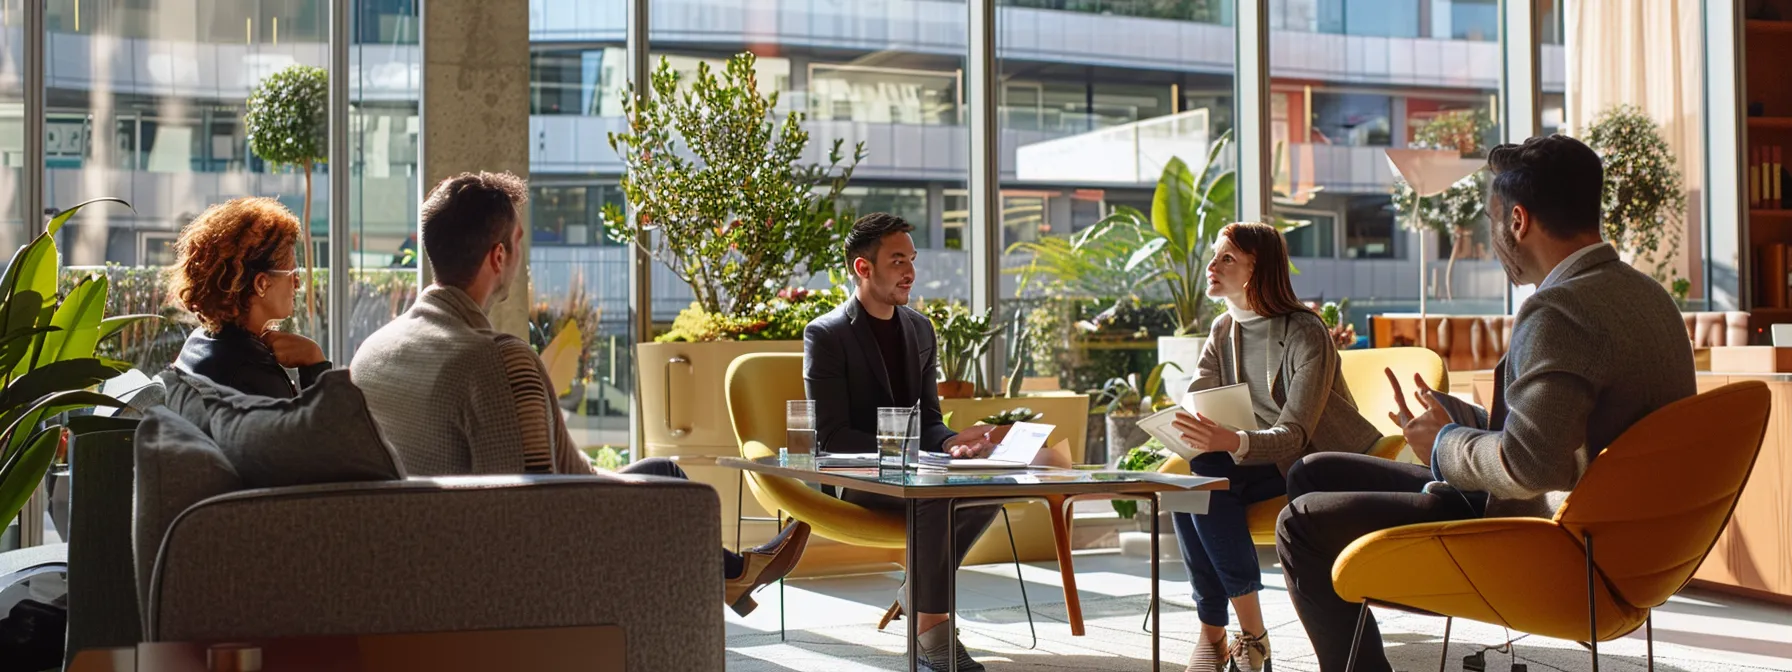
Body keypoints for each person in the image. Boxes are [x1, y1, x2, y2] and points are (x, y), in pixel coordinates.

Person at [1274, 135, 1698, 672]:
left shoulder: (1559, 311)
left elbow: (1530, 466)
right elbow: (1573, 430)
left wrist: (1445, 442)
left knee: (1301, 524)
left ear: (1517, 221)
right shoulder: (1648, 297)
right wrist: (1466, 421)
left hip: (1549, 543)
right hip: (1619, 537)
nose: (1491, 237)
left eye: (1490, 221)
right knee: (1313, 471)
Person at [351, 171, 811, 617]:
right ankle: (725, 582)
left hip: (414, 553)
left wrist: (621, 485)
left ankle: (733, 574)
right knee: (675, 504)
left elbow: (553, 474)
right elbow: (537, 516)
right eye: (518, 242)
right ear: (498, 257)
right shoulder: (498, 362)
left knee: (663, 473)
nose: (520, 255)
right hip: (486, 570)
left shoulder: (373, 350)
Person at [1168, 222, 1381, 672]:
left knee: (1208, 475)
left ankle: (1232, 635)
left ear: (1256, 268)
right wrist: (1186, 429)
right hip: (1255, 461)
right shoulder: (1223, 328)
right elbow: (1198, 398)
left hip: (1314, 462)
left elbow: (1296, 434)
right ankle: (1235, 634)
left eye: (1227, 258)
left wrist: (1232, 440)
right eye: (1215, 255)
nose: (1211, 266)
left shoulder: (1305, 331)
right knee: (1192, 483)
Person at [803, 212, 1008, 672]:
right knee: (935, 496)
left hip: (915, 469)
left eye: (911, 259)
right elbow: (832, 435)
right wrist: (915, 454)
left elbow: (931, 420)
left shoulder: (920, 329)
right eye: (897, 261)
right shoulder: (826, 334)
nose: (910, 271)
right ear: (863, 267)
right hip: (858, 477)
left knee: (991, 482)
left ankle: (915, 595)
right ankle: (932, 629)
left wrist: (955, 441)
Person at [166, 197, 329, 398]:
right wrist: (315, 362)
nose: (297, 284)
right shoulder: (255, 376)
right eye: (292, 273)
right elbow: (326, 428)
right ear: (262, 284)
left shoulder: (199, 342)